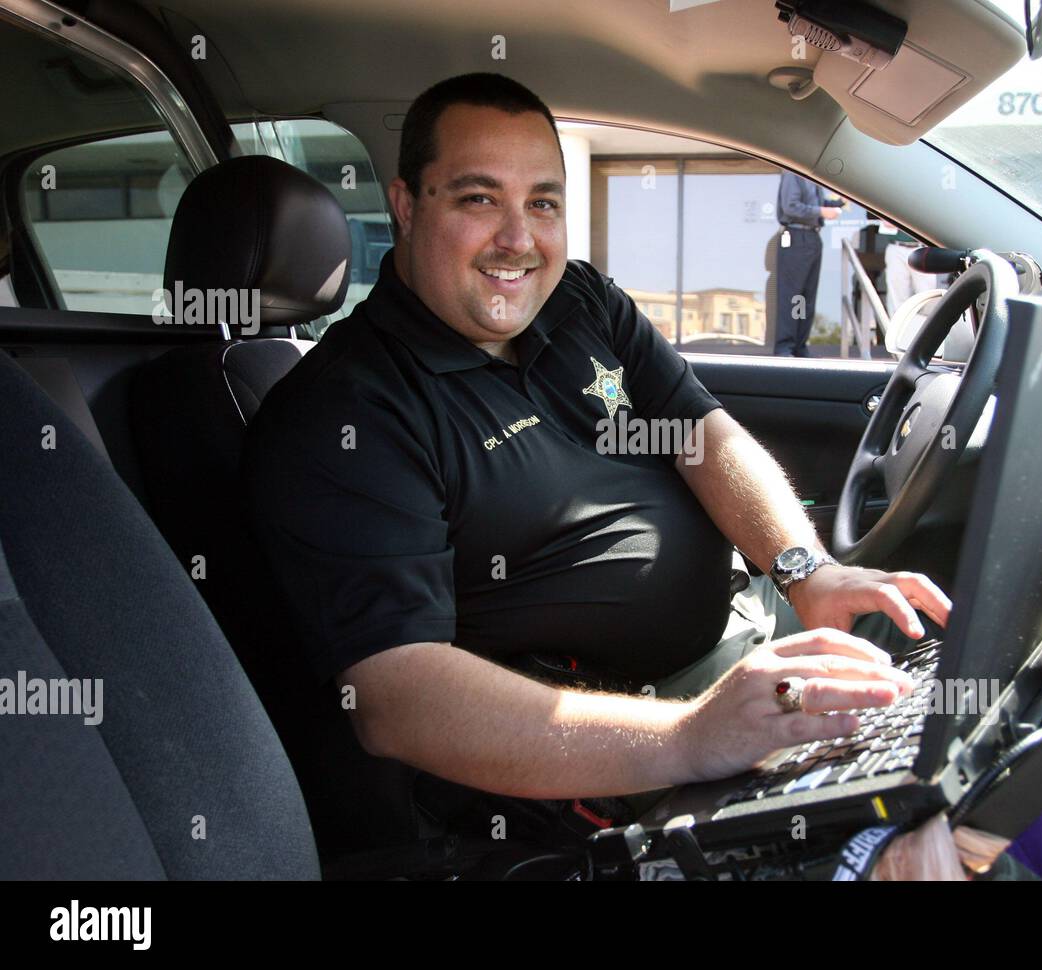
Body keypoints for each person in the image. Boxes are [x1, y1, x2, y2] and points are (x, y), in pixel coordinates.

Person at [242, 72, 950, 817]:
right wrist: (690, 736)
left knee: (969, 704)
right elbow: (397, 698)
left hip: (747, 641)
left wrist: (808, 574)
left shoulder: (578, 301)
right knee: (908, 833)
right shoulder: (346, 412)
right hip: (613, 756)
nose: (518, 239)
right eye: (479, 199)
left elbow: (702, 436)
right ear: (407, 206)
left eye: (542, 203)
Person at [773, 171, 842, 356]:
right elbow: (791, 206)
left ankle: (799, 345)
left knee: (805, 298)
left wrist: (837, 203)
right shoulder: (792, 174)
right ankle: (785, 346)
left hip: (812, 237)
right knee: (792, 296)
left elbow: (816, 205)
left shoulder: (812, 178)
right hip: (796, 237)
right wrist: (821, 211)